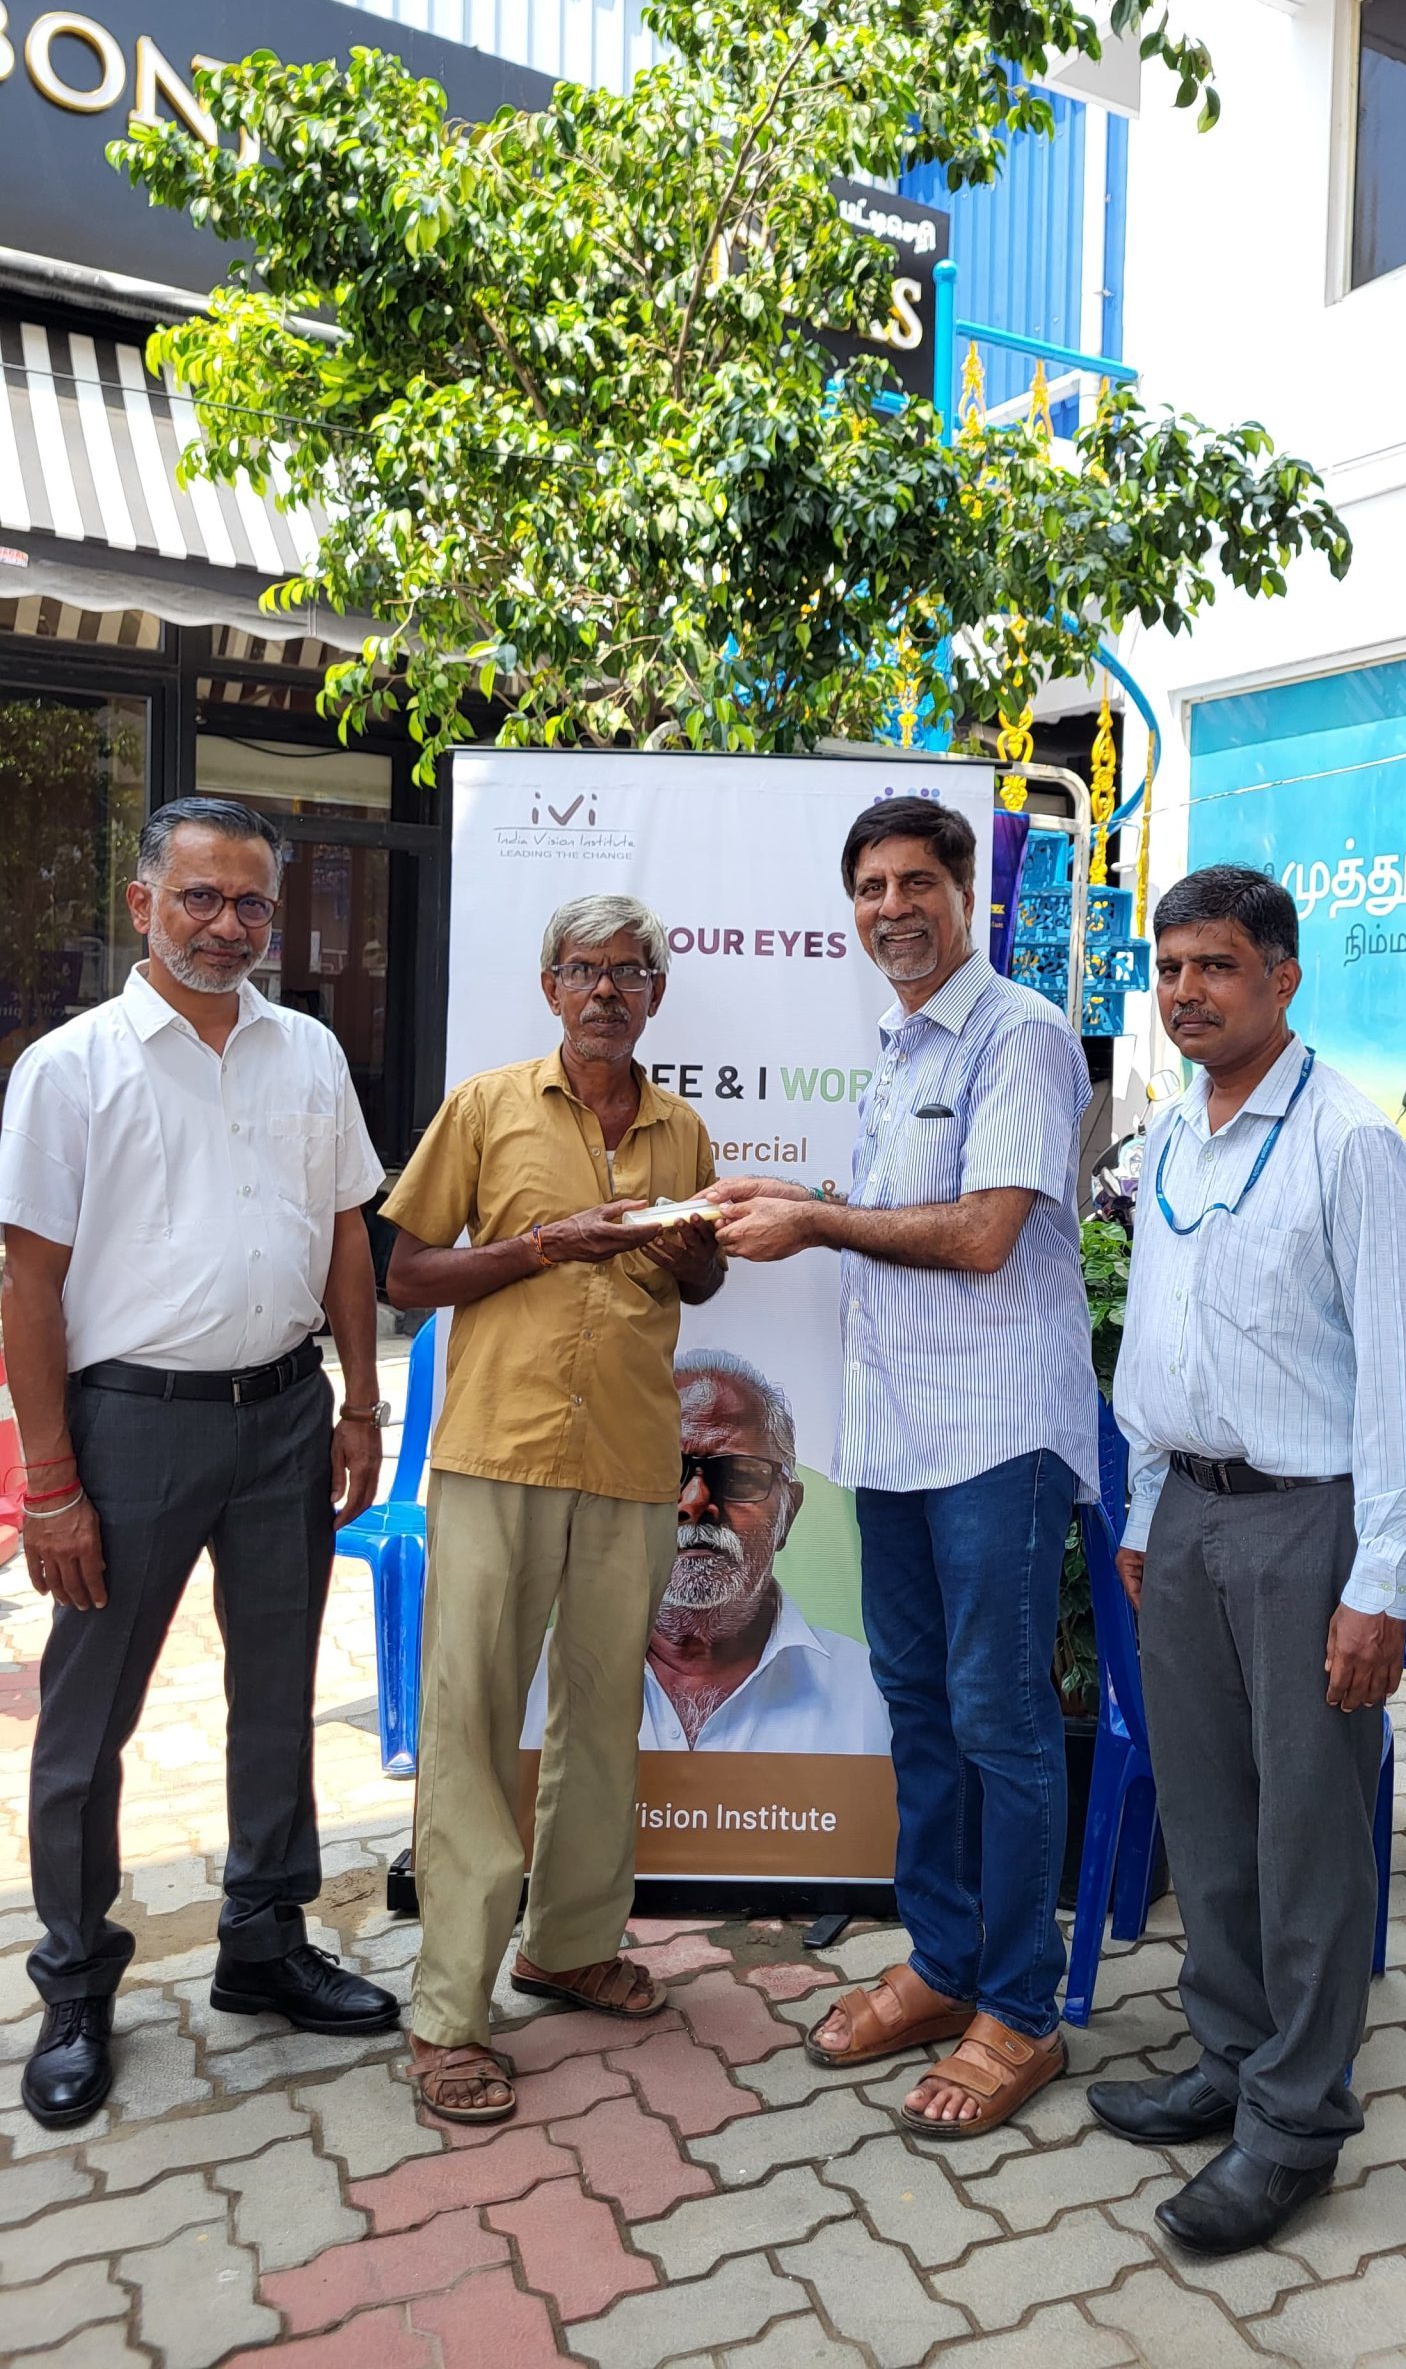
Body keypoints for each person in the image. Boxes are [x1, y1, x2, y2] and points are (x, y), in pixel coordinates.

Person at [0, 797, 398, 2128]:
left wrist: (360, 1404)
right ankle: (74, 1982)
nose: (228, 925)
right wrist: (51, 1483)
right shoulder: (71, 1069)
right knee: (89, 1724)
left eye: (251, 903)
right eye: (201, 897)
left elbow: (346, 1235)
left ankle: (264, 1944)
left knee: (276, 1695)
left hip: (285, 1415)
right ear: (142, 904)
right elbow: (28, 1286)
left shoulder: (310, 1053)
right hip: (131, 1429)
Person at [714, 794, 1101, 2137]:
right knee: (921, 1711)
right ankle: (944, 1963)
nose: (893, 908)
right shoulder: (894, 1046)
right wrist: (794, 1207)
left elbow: (985, 1232)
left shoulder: (1022, 1035)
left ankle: (1022, 2007)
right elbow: (899, 1217)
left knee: (998, 1719)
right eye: (871, 887)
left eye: (916, 882)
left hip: (995, 1434)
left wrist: (816, 1223)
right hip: (893, 1437)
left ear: (964, 891)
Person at [1095, 864, 1406, 2252]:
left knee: (1308, 1830)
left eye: (1218, 966)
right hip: (1187, 1511)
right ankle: (1230, 2057)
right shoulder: (1172, 1135)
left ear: (1283, 976)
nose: (1187, 992)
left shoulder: (1348, 1143)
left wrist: (1382, 1582)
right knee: (1205, 1812)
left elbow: (1404, 1382)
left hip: (1310, 1523)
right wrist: (1145, 1512)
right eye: (1171, 968)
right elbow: (1158, 1339)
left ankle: (1297, 2121)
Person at [381, 893, 725, 2123]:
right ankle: (448, 2013)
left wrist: (691, 1255)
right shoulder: (487, 1107)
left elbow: (705, 1275)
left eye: (629, 971)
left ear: (655, 994)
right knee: (470, 1719)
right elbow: (406, 1272)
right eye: (584, 969)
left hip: (629, 1456)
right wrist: (541, 1245)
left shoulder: (684, 1130)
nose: (606, 991)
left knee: (602, 1713)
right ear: (550, 988)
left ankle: (569, 1946)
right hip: (501, 1452)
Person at [519, 1350, 890, 1756]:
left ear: (789, 1512)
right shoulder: (528, 1681)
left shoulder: (872, 1697)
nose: (695, 1502)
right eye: (661, 1473)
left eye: (739, 1475)